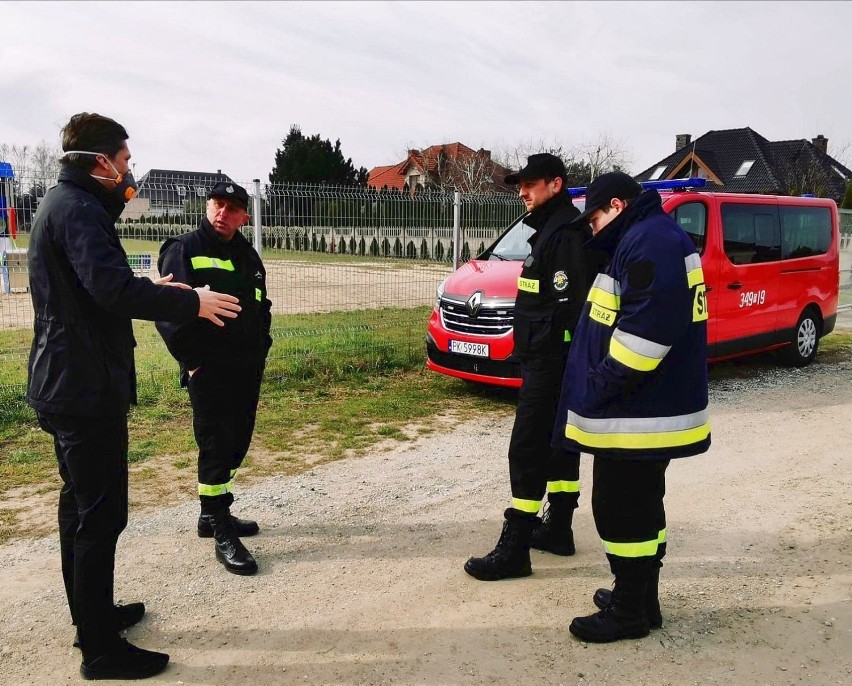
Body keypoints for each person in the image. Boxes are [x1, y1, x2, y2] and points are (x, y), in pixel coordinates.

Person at [26, 113, 243, 680]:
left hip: (67, 379)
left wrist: (157, 289)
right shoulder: (78, 210)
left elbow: (97, 288)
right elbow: (111, 289)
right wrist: (190, 301)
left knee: (80, 507)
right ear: (100, 162)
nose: (129, 172)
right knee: (100, 516)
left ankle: (91, 616)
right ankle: (99, 649)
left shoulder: (66, 205)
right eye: (124, 161)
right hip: (82, 387)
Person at [553, 172, 711, 642]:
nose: (594, 227)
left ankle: (628, 611)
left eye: (597, 216)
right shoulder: (650, 236)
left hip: (637, 411)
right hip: (646, 409)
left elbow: (646, 335)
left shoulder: (649, 243)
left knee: (620, 508)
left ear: (618, 206)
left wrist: (595, 386)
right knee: (643, 506)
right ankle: (642, 597)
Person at [464, 153, 591, 581]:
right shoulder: (548, 231)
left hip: (552, 362)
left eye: (530, 184)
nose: (522, 192)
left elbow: (573, 308)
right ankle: (559, 529)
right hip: (544, 358)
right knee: (558, 445)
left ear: (555, 185)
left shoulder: (565, 234)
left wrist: (565, 363)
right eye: (520, 184)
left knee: (527, 448)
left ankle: (515, 547)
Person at [156, 181, 271, 577]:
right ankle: (220, 527)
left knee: (238, 439)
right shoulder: (184, 249)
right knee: (215, 443)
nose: (223, 212)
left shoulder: (247, 253)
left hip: (246, 367)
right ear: (208, 207)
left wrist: (263, 346)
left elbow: (261, 304)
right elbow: (169, 310)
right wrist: (192, 361)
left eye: (232, 207)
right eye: (217, 204)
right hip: (210, 368)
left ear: (245, 216)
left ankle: (213, 513)